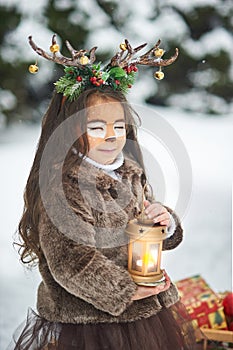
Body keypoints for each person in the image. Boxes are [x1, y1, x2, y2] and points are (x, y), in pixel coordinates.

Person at [10, 36, 197, 349]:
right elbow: (71, 261)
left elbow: (142, 225)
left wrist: (164, 221)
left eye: (119, 126)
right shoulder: (64, 188)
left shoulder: (128, 172)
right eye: (96, 128)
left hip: (142, 307)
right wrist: (123, 290)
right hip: (93, 321)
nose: (112, 136)